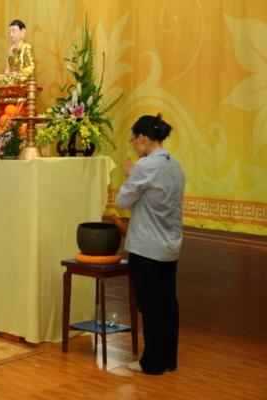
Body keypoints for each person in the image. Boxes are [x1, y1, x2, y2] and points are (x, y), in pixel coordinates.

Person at [117, 114, 185, 375]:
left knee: (150, 305)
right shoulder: (175, 165)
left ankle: (152, 363)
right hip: (170, 245)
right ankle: (168, 359)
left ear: (143, 138)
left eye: (134, 140)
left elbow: (123, 201)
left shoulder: (145, 166)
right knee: (168, 301)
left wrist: (129, 175)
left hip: (146, 246)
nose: (135, 145)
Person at [0, 19, 36, 87]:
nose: (11, 34)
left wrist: (18, 73)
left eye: (14, 32)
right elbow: (8, 68)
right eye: (9, 32)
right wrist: (6, 73)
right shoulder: (10, 49)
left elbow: (31, 67)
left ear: (22, 32)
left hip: (21, 77)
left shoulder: (26, 47)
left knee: (14, 80)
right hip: (12, 77)